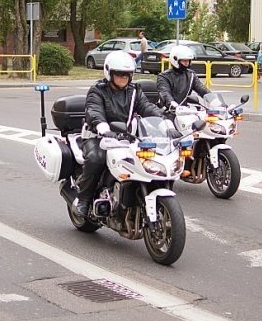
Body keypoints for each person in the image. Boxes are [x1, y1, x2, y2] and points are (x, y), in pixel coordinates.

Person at [74, 51, 181, 218]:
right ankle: (83, 199)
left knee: (149, 159)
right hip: (98, 136)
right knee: (96, 159)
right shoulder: (97, 90)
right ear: (109, 72)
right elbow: (94, 112)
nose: (123, 77)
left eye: (127, 74)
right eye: (119, 74)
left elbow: (147, 107)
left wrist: (166, 124)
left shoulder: (134, 91)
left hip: (127, 138)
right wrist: (104, 129)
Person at [156, 45, 211, 115]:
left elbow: (202, 89)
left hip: (184, 111)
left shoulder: (191, 75)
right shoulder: (164, 77)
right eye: (184, 60)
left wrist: (215, 101)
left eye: (188, 60)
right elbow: (165, 93)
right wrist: (173, 104)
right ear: (175, 60)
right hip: (168, 111)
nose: (187, 63)